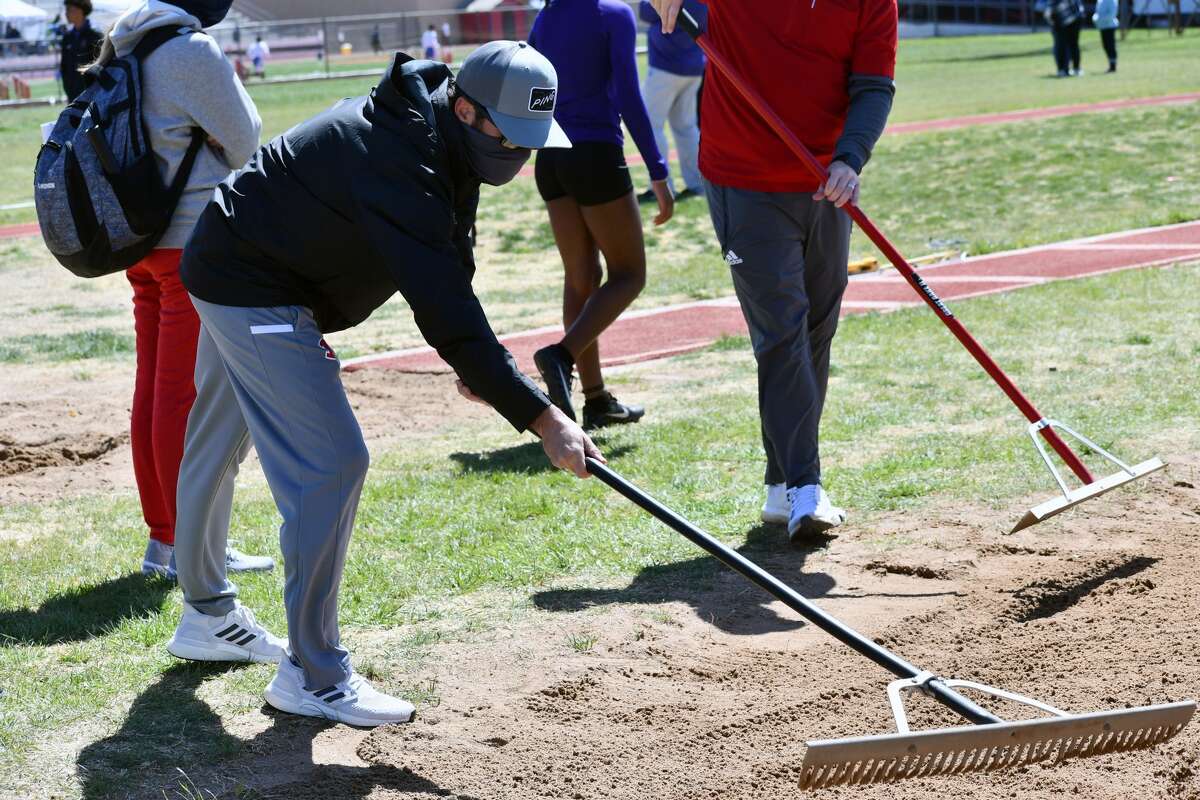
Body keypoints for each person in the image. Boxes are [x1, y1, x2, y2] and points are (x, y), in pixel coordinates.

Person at [166, 42, 601, 727]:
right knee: (332, 464)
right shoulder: (399, 155)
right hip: (253, 283)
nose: (520, 157)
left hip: (236, 257)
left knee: (220, 442)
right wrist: (542, 417)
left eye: (531, 143)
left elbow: (452, 259)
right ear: (466, 109)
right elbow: (443, 307)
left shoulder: (437, 135)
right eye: (511, 139)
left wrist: (482, 373)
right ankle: (312, 674)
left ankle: (204, 614)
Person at [651, 0, 896, 541]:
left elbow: (874, 84)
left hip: (826, 178)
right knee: (782, 330)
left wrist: (850, 158)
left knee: (815, 332)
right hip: (744, 179)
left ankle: (780, 486)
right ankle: (806, 489)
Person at [79, 0, 275, 578]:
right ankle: (184, 544)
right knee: (183, 398)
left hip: (139, 241)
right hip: (189, 243)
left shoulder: (125, 40)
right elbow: (245, 140)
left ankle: (165, 538)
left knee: (155, 389)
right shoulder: (191, 49)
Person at [527, 0, 674, 430]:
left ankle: (595, 400)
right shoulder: (613, 14)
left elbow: (532, 92)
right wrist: (659, 170)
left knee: (581, 279)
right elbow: (628, 93)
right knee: (629, 275)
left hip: (550, 158)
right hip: (594, 154)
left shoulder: (546, 16)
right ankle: (561, 355)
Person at [637, 1, 707, 203]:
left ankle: (663, 185)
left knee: (651, 126)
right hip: (693, 67)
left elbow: (646, 10)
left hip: (665, 68)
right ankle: (696, 183)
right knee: (686, 127)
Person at [60, 0, 102, 101]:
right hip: (72, 95)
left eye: (69, 10)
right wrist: (68, 87)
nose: (66, 14)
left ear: (80, 10)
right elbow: (64, 67)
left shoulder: (95, 37)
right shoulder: (67, 38)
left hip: (92, 96)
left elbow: (100, 67)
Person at [1045, 0, 1083, 77]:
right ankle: (1066, 69)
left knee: (1068, 45)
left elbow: (1049, 11)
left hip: (1071, 20)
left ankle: (1069, 69)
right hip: (1067, 20)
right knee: (1066, 45)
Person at [1093, 0, 1118, 73]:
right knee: (1105, 45)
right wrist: (1095, 18)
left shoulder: (1112, 1)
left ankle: (1113, 65)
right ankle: (1111, 63)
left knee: (1111, 45)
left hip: (1110, 26)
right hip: (1102, 26)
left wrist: (1099, 19)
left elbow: (1112, 15)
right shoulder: (1100, 0)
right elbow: (1097, 12)